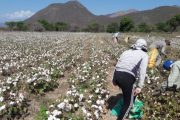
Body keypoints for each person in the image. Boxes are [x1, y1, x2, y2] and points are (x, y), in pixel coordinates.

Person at [112, 39, 149, 120]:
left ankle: (126, 111)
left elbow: (118, 64)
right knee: (128, 103)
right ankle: (121, 117)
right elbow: (142, 72)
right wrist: (139, 86)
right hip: (127, 77)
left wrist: (114, 79)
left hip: (118, 74)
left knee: (129, 92)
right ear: (144, 46)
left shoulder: (127, 51)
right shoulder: (144, 55)